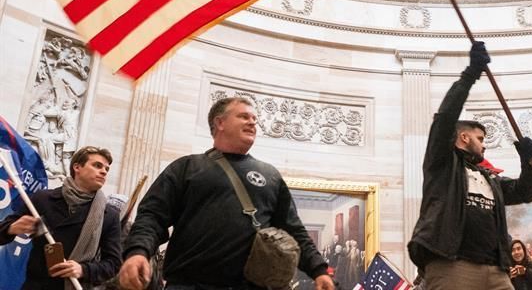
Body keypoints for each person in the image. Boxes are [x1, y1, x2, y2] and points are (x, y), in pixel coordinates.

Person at [119, 97, 333, 290]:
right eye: (243, 116)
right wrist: (138, 252)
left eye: (254, 118)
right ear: (220, 123)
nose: (252, 122)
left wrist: (319, 270)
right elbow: (152, 216)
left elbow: (294, 229)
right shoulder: (186, 167)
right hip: (189, 285)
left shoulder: (270, 176)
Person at [407, 42, 532, 290]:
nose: (484, 145)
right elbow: (445, 118)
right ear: (463, 137)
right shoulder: (442, 165)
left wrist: (530, 163)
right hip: (452, 265)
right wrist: (470, 75)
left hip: (495, 269)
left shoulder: (489, 178)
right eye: (480, 139)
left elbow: (526, 192)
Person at [1, 146, 122, 290]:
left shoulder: (109, 215)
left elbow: (114, 263)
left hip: (76, 285)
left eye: (106, 169)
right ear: (77, 167)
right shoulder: (42, 199)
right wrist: (12, 228)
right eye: (97, 165)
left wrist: (83, 269)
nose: (103, 171)